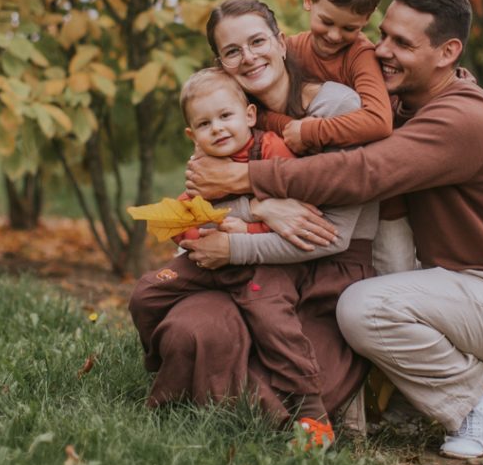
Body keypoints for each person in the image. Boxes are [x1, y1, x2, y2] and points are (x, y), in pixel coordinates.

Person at [185, 0, 483, 460]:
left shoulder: (465, 117)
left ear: (448, 52)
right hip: (447, 282)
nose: (379, 51)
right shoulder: (401, 99)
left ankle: (480, 392)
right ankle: (410, 394)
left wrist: (245, 177)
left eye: (402, 44)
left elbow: (364, 173)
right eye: (383, 35)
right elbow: (277, 52)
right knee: (371, 287)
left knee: (363, 307)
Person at [129, 0, 379, 443]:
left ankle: (302, 417)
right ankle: (174, 376)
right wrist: (258, 209)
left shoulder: (335, 107)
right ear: (220, 62)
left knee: (289, 361)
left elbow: (330, 233)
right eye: (232, 51)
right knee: (193, 330)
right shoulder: (223, 114)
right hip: (240, 261)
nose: (248, 57)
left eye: (258, 41)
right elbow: (205, 197)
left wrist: (238, 236)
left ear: (281, 43)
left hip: (319, 269)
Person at [131, 67, 338, 445]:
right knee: (146, 293)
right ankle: (158, 360)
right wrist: (192, 232)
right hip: (209, 258)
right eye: (205, 124)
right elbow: (189, 208)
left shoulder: (271, 150)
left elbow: (296, 212)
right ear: (192, 135)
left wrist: (246, 230)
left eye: (226, 116)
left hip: (261, 264)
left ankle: (313, 415)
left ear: (249, 116)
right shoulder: (203, 164)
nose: (218, 129)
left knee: (277, 328)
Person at [259, 0, 415, 276]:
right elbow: (256, 111)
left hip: (378, 199)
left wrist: (310, 132)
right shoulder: (291, 51)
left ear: (369, 18)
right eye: (326, 21)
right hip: (313, 183)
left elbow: (378, 120)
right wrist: (290, 126)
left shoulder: (360, 55)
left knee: (393, 274)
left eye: (349, 28)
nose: (334, 35)